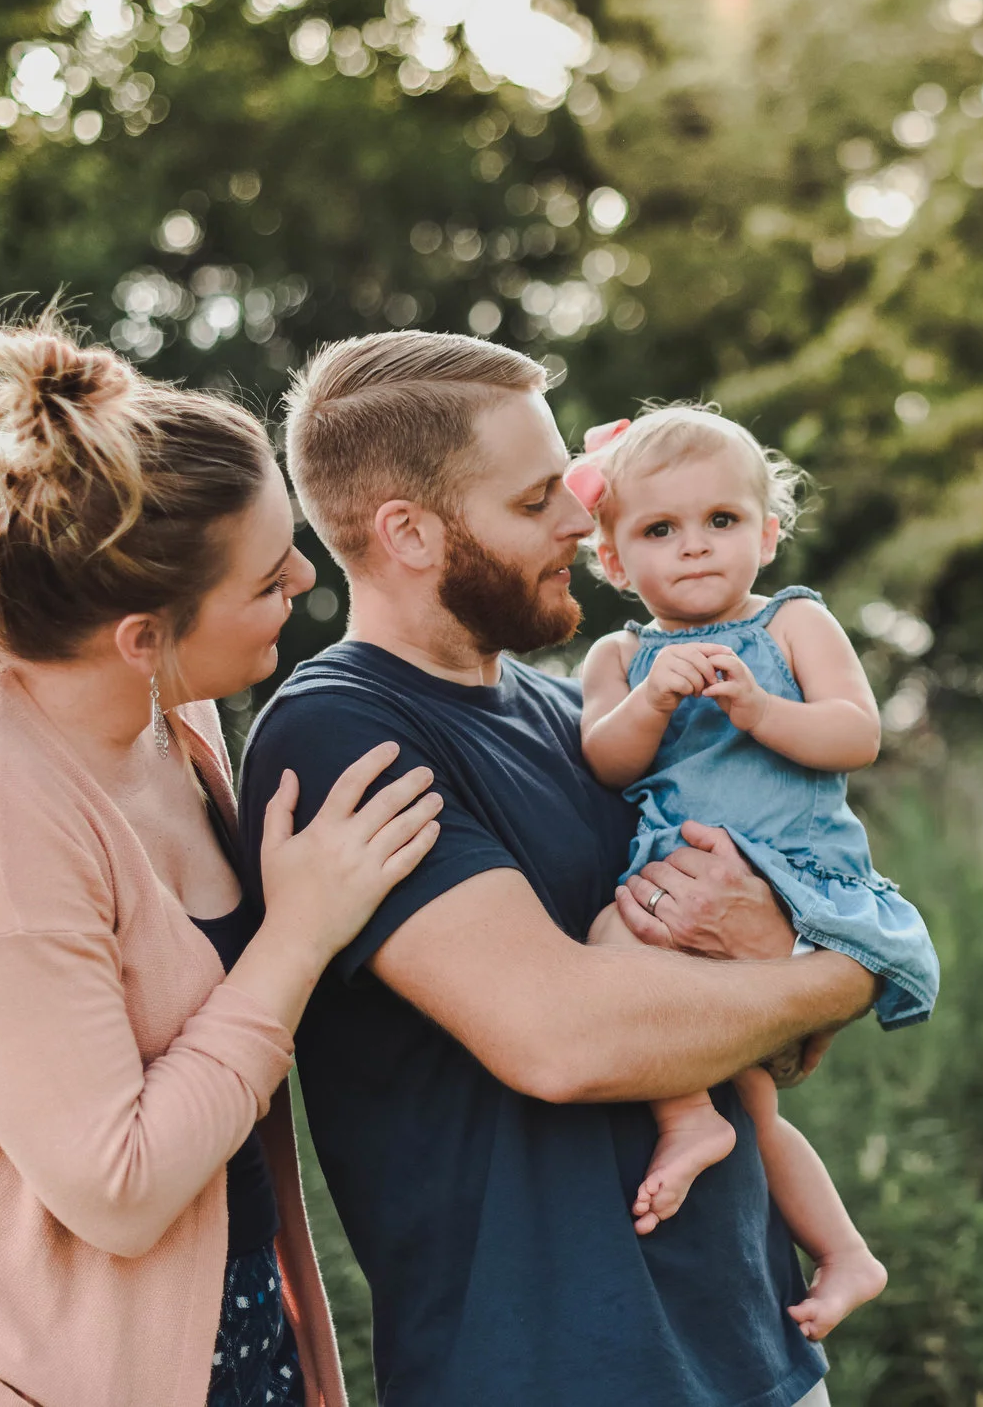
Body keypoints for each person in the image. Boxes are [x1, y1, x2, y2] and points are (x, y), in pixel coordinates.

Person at [237, 331, 880, 1407]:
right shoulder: (343, 733)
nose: (584, 522)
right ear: (408, 532)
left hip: (757, 1348)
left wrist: (777, 957)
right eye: (539, 500)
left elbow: (759, 1027)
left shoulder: (582, 718)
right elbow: (562, 1039)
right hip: (554, 1368)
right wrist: (852, 972)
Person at [0, 316, 443, 1406]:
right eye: (268, 580)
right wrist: (299, 935)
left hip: (224, 1333)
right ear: (142, 636)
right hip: (17, 1372)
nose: (307, 577)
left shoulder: (164, 714)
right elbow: (118, 1188)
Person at [566, 405, 937, 1340]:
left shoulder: (793, 621)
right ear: (613, 560)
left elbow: (856, 732)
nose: (694, 546)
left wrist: (761, 709)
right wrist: (651, 701)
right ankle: (834, 1243)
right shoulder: (618, 656)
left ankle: (695, 1120)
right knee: (749, 1099)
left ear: (767, 536)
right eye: (660, 529)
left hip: (797, 877)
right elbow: (605, 761)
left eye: (721, 520)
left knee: (639, 970)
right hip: (678, 887)